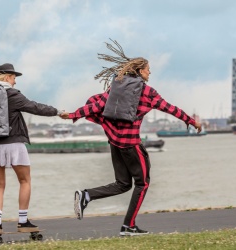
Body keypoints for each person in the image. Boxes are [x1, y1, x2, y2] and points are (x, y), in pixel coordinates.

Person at [60, 40, 202, 236]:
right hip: (131, 145)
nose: (149, 73)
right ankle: (128, 226)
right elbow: (171, 109)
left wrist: (75, 114)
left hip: (114, 143)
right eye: (148, 69)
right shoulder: (147, 92)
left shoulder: (116, 87)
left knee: (123, 184)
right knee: (142, 183)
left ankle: (86, 195)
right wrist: (191, 121)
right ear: (140, 71)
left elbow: (97, 105)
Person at [0, 63, 61, 234]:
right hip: (13, 142)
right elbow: (35, 107)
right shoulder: (11, 94)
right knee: (25, 181)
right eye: (14, 78)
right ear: (7, 77)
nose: (15, 82)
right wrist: (58, 112)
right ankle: (23, 222)